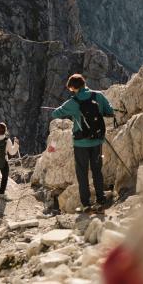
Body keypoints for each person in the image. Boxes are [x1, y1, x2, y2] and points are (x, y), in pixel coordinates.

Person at [50, 73, 114, 210]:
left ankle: (86, 204)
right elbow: (110, 110)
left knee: (82, 172)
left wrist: (72, 111)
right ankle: (101, 199)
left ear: (73, 87)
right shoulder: (98, 96)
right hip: (97, 141)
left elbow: (55, 113)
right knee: (97, 170)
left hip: (80, 143)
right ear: (84, 83)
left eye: (70, 89)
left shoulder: (73, 102)